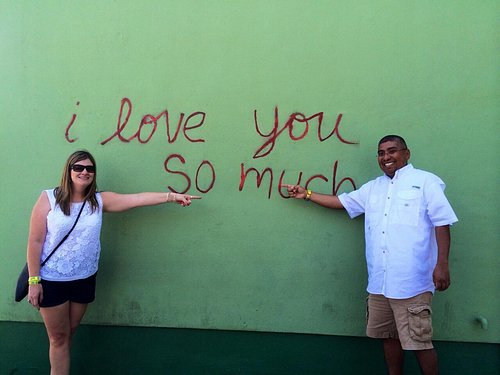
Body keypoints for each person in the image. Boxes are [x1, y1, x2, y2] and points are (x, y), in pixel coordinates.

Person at [283, 135, 458, 375]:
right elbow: (342, 203)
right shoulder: (374, 188)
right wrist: (308, 194)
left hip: (413, 282)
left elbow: (442, 223)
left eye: (392, 151)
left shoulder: (426, 182)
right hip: (380, 282)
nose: (386, 157)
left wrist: (442, 265)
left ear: (406, 153)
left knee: (419, 343)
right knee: (388, 337)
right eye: (381, 153)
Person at [26, 150, 201, 375]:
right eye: (78, 167)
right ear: (68, 171)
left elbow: (136, 199)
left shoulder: (98, 201)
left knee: (69, 332)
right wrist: (34, 280)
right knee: (58, 338)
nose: (84, 172)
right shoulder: (49, 198)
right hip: (52, 279)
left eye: (89, 168)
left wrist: (171, 196)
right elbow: (35, 240)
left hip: (84, 278)